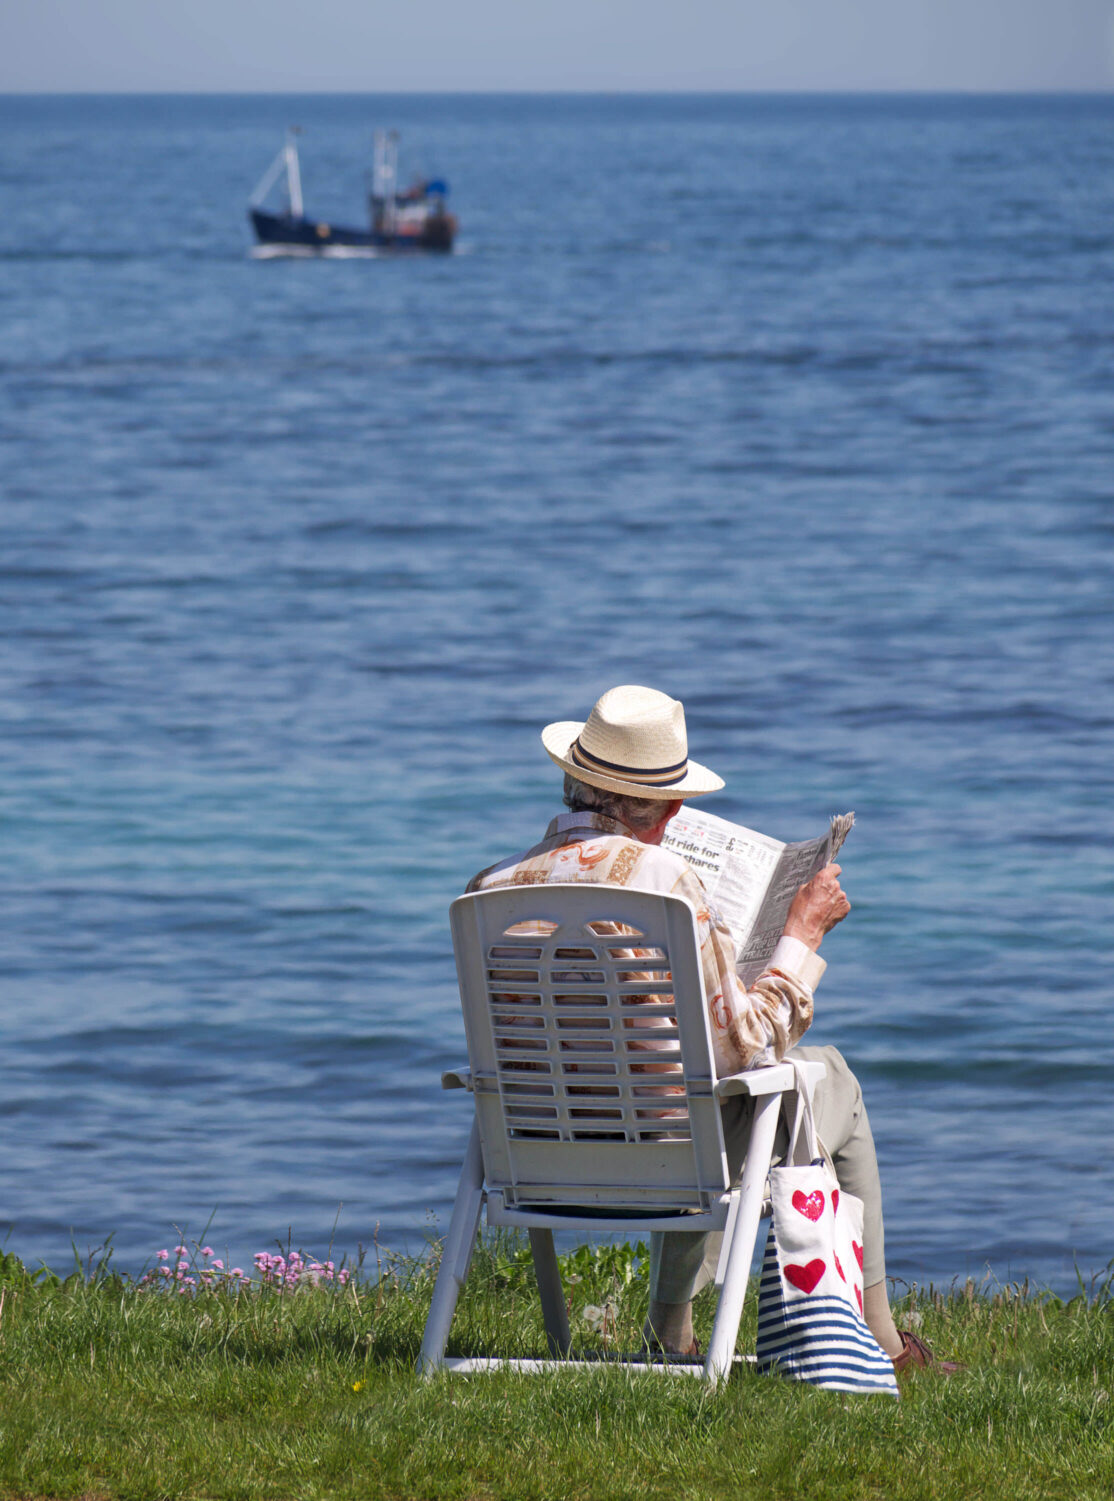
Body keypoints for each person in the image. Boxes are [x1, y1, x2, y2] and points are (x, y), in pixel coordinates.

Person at [467, 683, 960, 1374]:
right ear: (670, 811)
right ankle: (880, 1341)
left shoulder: (491, 887)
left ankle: (671, 1332)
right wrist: (800, 934)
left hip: (531, 1154)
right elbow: (743, 1045)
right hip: (669, 1156)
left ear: (573, 780)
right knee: (829, 1079)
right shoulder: (666, 880)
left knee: (673, 1073)